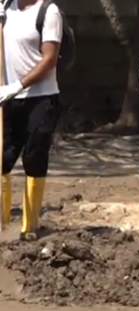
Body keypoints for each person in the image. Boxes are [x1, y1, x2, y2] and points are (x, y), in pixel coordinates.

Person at [0, 0, 62, 240]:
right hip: (9, 99)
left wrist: (18, 85)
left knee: (33, 158)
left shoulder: (48, 11)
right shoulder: (7, 9)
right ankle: (3, 223)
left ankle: (29, 226)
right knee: (3, 157)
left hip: (41, 99)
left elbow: (49, 59)